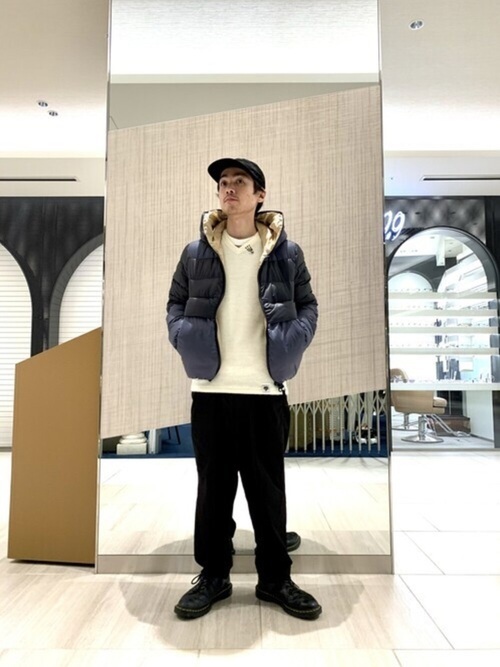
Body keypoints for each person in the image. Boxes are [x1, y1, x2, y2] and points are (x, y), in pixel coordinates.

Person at [166, 157, 321, 620]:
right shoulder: (195, 252)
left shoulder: (286, 253)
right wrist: (182, 335)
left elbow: (308, 305)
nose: (229, 188)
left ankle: (275, 579)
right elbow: (175, 303)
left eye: (240, 182)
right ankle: (213, 575)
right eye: (223, 182)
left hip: (264, 392)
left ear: (260, 195)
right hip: (210, 392)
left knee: (267, 493)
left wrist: (294, 339)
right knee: (213, 492)